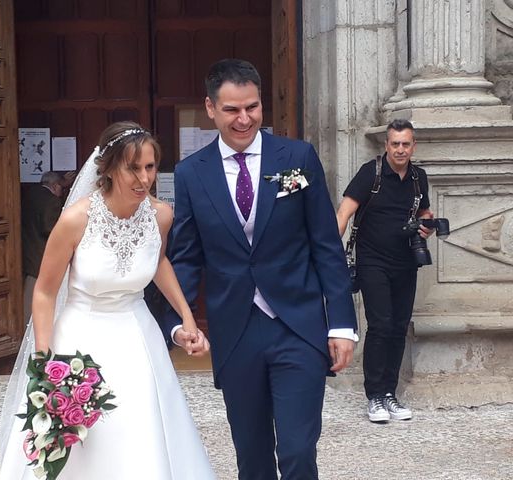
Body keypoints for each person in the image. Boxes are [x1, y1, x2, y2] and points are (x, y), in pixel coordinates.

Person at [163, 58, 357, 480]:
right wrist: (178, 322)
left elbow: (325, 244)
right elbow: (186, 257)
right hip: (237, 331)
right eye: (232, 109)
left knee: (297, 450)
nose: (244, 118)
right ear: (210, 109)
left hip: (299, 326)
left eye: (252, 107)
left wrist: (341, 324)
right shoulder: (191, 174)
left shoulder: (297, 158)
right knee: (251, 458)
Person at [0, 121, 215, 479]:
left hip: (138, 337)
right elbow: (45, 291)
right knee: (88, 440)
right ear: (109, 167)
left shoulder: (161, 215)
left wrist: (186, 317)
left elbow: (158, 261)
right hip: (82, 338)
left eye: (149, 167)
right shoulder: (75, 220)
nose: (144, 178)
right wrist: (44, 358)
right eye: (133, 168)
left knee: (140, 430)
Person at [336, 119, 433, 423]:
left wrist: (428, 224)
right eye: (395, 144)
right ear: (387, 145)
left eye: (406, 144)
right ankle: (375, 396)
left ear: (413, 146)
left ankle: (390, 394)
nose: (400, 149)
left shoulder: (419, 177)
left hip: (406, 262)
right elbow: (344, 213)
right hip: (372, 260)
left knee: (398, 326)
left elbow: (423, 211)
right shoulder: (372, 173)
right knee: (380, 325)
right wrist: (327, 254)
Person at [21, 171, 65, 321]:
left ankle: (26, 323)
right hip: (41, 253)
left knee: (29, 291)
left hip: (28, 249)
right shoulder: (52, 200)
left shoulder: (30, 194)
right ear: (54, 185)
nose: (61, 193)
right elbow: (48, 227)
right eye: (61, 188)